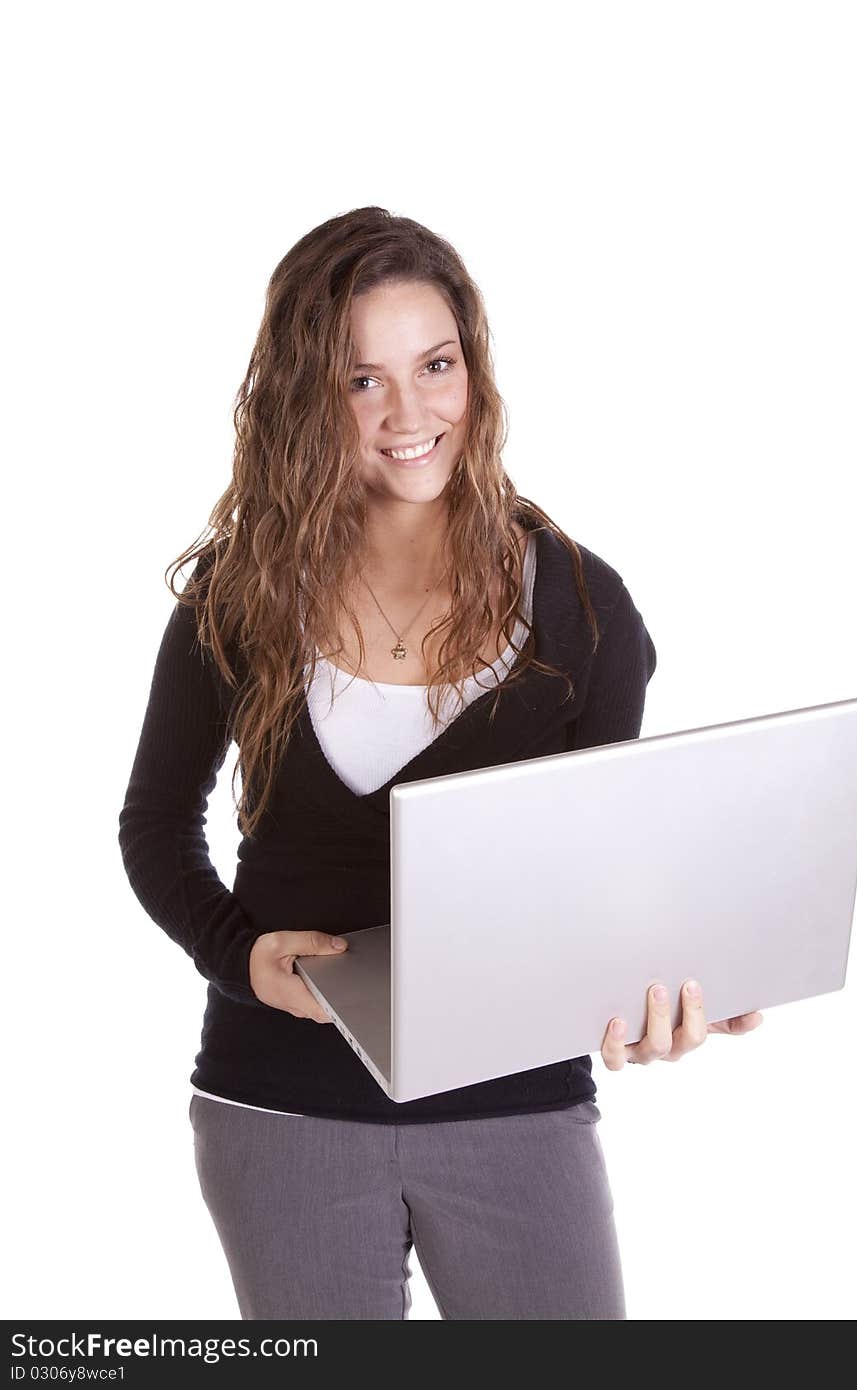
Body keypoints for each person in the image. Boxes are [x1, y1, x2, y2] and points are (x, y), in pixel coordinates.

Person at [118, 207, 762, 1321]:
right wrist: (241, 956)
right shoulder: (238, 598)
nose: (411, 414)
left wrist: (658, 988)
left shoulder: (581, 607)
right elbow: (154, 824)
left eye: (436, 364)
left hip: (516, 1108)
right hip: (281, 1111)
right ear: (302, 397)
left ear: (475, 368)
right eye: (362, 379)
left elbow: (598, 874)